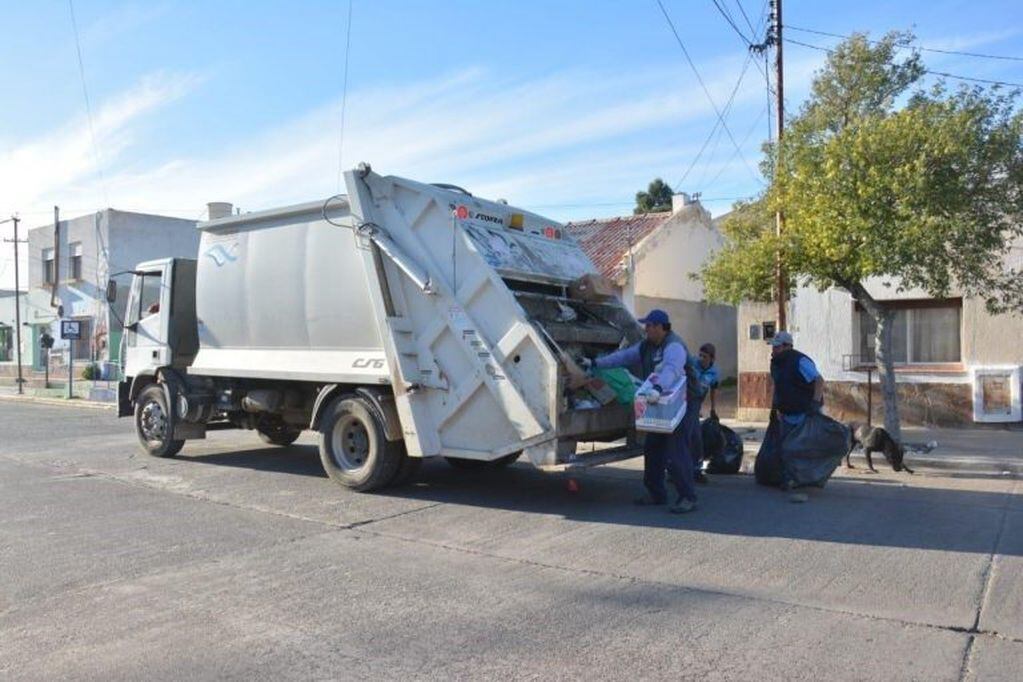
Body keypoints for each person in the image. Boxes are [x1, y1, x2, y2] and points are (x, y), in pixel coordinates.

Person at [585, 309, 698, 514]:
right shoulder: (646, 346)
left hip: (682, 403)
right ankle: (656, 493)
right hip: (659, 401)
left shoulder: (674, 345)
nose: (645, 329)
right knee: (653, 447)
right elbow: (622, 358)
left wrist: (657, 388)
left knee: (676, 450)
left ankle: (687, 497)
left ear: (659, 327)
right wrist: (595, 363)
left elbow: (672, 370)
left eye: (649, 326)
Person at [762, 331, 826, 499]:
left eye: (776, 347)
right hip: (786, 412)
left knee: (799, 447)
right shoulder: (776, 363)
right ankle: (789, 477)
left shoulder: (799, 360)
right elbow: (778, 386)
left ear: (787, 346)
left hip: (804, 412)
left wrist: (814, 403)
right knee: (786, 447)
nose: (773, 350)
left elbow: (819, 381)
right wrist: (775, 407)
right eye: (773, 347)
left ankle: (798, 478)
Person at [689, 343, 720, 484]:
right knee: (685, 438)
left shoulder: (714, 372)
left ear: (712, 358)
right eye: (700, 355)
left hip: (695, 405)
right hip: (684, 402)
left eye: (705, 356)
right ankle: (676, 470)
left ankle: (696, 469)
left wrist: (713, 408)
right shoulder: (692, 364)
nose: (701, 358)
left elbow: (713, 390)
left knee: (696, 438)